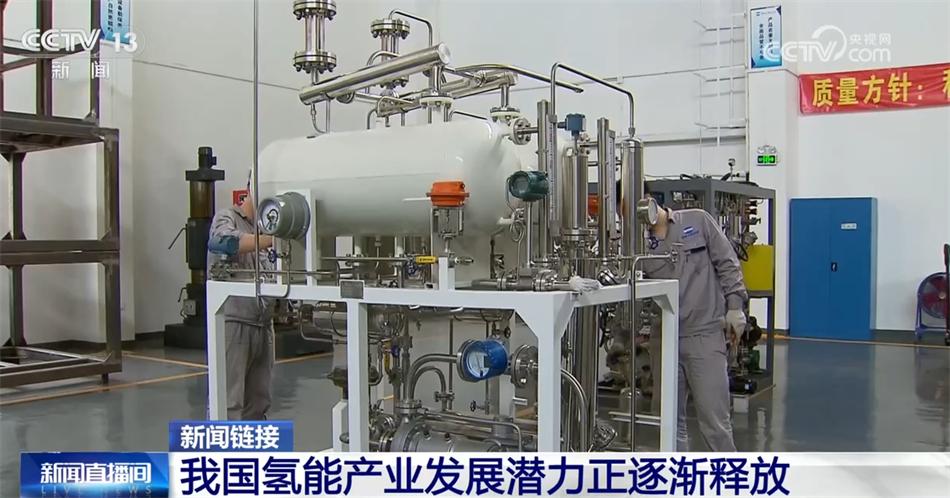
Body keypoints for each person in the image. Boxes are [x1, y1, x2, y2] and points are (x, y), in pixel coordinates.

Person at [638, 198, 747, 452]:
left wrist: (735, 306)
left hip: (704, 334)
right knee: (668, 423)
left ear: (647, 200)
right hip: (665, 338)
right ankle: (677, 474)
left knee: (715, 423)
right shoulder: (636, 243)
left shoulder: (698, 220)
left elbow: (727, 262)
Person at [208, 174, 276, 420]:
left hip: (263, 325)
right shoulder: (228, 217)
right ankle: (221, 446)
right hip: (234, 323)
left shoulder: (266, 228)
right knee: (228, 402)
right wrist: (271, 240)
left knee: (258, 403)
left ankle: (252, 445)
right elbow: (222, 241)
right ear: (252, 189)